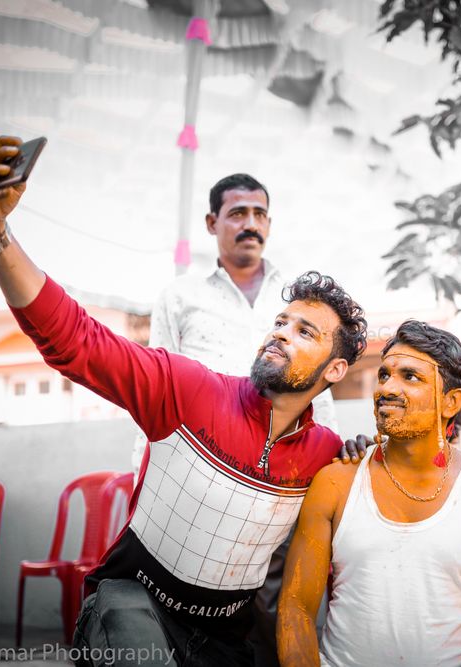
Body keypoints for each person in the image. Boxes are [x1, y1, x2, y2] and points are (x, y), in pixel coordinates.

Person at [0, 136, 370, 666]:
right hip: (134, 605)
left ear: (335, 370)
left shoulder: (324, 456)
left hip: (228, 632)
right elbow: (76, 340)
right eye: (279, 322)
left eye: (305, 331)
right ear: (212, 223)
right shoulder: (185, 387)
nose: (281, 333)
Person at [132, 173, 337, 666]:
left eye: (260, 214)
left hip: (285, 484)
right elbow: (154, 394)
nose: (251, 224)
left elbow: (321, 398)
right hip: (199, 481)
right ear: (212, 223)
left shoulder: (297, 302)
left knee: (275, 606)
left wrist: (326, 477)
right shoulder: (180, 297)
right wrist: (141, 478)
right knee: (186, 608)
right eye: (238, 213)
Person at [277, 321, 461, 667]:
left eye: (411, 377)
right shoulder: (336, 482)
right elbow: (296, 606)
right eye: (384, 375)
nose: (387, 388)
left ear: (452, 401)